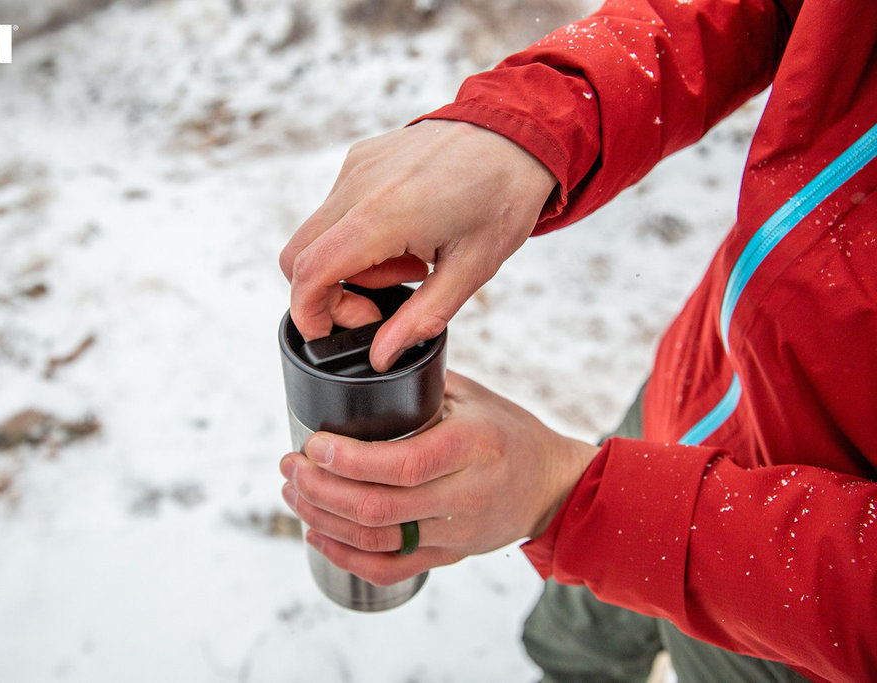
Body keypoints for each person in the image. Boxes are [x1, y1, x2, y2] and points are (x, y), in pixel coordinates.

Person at [277, 0, 877, 680]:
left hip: (797, 631)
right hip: (689, 400)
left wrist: (573, 498)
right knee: (570, 647)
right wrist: (535, 122)